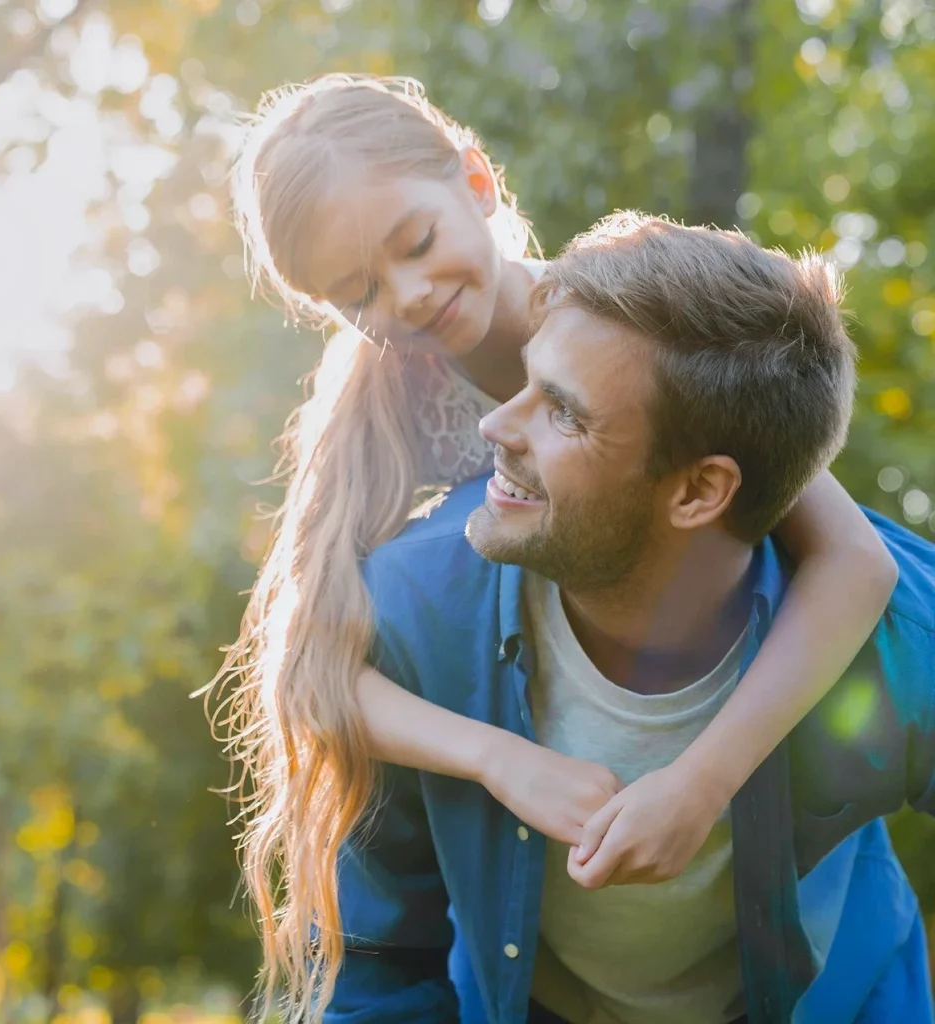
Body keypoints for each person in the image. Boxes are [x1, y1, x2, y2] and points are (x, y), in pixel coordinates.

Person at [206, 76, 897, 1020]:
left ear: (477, 182)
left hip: (760, 825)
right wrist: (499, 759)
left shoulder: (625, 315)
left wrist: (703, 783)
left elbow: (857, 561)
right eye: (356, 292)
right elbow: (312, 672)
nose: (406, 296)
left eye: (415, 243)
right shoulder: (392, 403)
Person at [336, 214, 935, 1023]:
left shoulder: (896, 638)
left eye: (563, 414)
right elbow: (381, 958)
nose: (495, 427)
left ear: (697, 492)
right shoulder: (417, 612)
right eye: (524, 380)